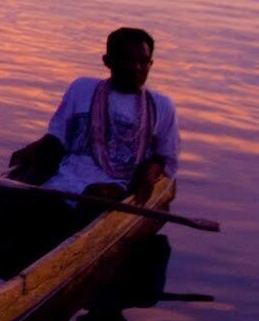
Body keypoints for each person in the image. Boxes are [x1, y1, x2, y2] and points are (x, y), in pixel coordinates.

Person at [10, 27, 181, 204]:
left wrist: (151, 171)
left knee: (92, 198)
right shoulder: (82, 88)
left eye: (143, 61)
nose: (136, 68)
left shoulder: (161, 105)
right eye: (128, 60)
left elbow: (166, 160)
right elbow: (57, 137)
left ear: (150, 64)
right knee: (12, 196)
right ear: (108, 61)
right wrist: (34, 148)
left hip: (117, 186)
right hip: (66, 178)